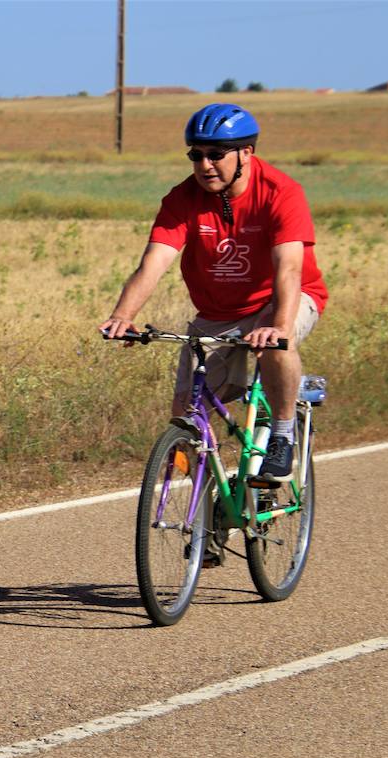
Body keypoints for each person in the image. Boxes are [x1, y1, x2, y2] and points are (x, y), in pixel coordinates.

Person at [99, 103, 327, 486]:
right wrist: (123, 316)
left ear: (246, 153)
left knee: (276, 344)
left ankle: (283, 436)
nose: (205, 165)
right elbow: (152, 264)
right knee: (185, 417)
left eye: (216, 155)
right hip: (218, 312)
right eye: (196, 155)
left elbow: (288, 268)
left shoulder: (281, 192)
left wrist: (279, 326)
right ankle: (207, 523)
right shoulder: (183, 199)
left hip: (284, 298)